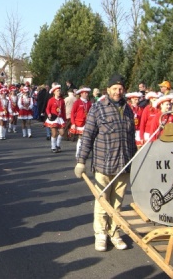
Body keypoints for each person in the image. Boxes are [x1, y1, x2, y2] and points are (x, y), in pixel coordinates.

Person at [74, 74, 136, 252]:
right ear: (108, 90)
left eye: (121, 88)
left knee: (117, 204)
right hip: (104, 165)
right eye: (114, 88)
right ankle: (100, 234)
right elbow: (87, 137)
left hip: (124, 165)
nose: (118, 91)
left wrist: (134, 159)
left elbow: (131, 139)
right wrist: (81, 161)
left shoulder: (128, 109)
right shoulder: (98, 108)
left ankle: (114, 233)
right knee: (103, 203)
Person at [70, 87, 91, 157]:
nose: (86, 94)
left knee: (86, 138)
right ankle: (78, 153)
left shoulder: (89, 103)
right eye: (85, 93)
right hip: (79, 123)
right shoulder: (77, 102)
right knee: (81, 138)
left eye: (87, 93)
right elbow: (72, 113)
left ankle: (83, 152)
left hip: (87, 123)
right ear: (81, 94)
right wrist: (73, 123)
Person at [44, 85, 66, 153]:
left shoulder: (62, 100)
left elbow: (63, 110)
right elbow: (47, 108)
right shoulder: (51, 100)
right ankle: (53, 146)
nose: (59, 92)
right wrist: (49, 114)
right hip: (53, 119)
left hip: (60, 118)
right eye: (57, 91)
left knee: (62, 132)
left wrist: (64, 118)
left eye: (59, 91)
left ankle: (57, 144)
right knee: (54, 133)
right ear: (54, 92)